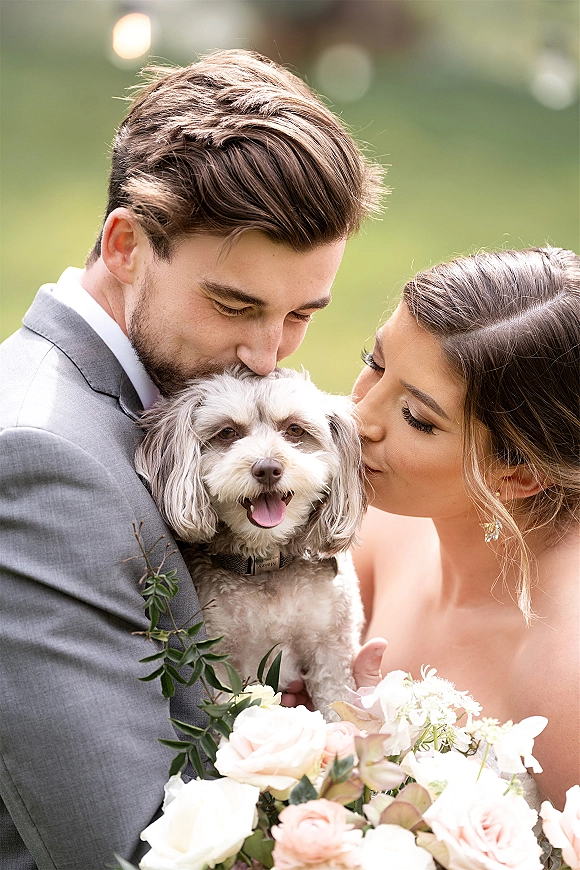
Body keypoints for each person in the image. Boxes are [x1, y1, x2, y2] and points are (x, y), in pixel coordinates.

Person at [0, 49, 383, 869]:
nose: (263, 354)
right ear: (128, 244)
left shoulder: (127, 400)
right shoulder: (42, 459)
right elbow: (115, 841)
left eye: (301, 316)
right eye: (234, 304)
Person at [351, 246, 580, 812]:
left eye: (417, 418)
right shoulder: (375, 525)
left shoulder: (565, 671)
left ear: (521, 474)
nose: (358, 417)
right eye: (376, 363)